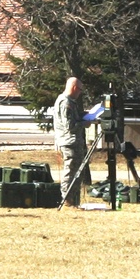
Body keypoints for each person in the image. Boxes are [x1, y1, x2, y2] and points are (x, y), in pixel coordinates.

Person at [53, 77, 87, 208]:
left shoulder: (70, 102)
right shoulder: (65, 102)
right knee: (71, 170)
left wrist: (85, 115)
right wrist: (85, 123)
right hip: (69, 142)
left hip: (73, 141)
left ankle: (73, 199)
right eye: (80, 90)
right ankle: (67, 200)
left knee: (78, 170)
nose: (80, 93)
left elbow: (74, 118)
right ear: (74, 88)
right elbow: (70, 126)